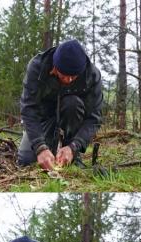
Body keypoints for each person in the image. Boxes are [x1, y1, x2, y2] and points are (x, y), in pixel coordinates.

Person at [17, 39, 103, 170]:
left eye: (73, 77)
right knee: (26, 161)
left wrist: (74, 146)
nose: (68, 80)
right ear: (55, 67)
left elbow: (94, 118)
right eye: (64, 75)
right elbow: (29, 109)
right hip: (43, 120)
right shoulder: (38, 66)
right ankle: (48, 147)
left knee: (72, 103)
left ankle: (71, 154)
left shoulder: (91, 75)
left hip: (71, 119)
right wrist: (40, 147)